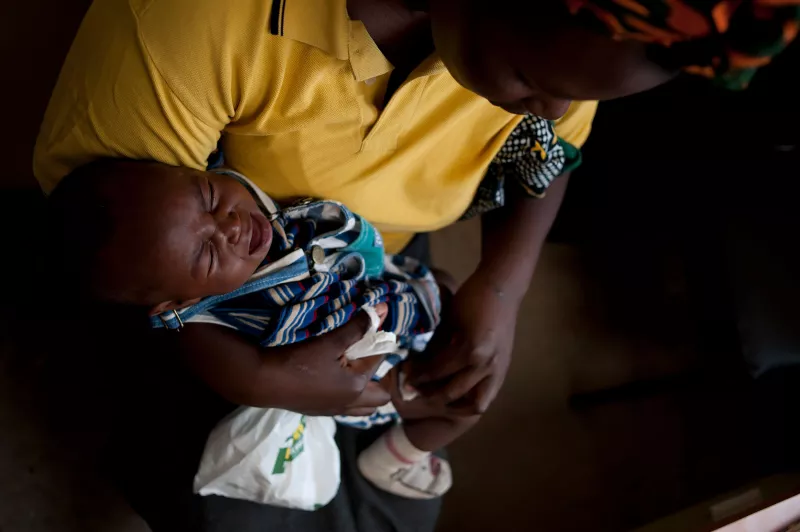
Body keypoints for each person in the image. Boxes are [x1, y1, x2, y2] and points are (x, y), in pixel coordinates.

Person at [34, 0, 800, 530]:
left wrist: (501, 287)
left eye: (569, 93)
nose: (552, 111)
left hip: (361, 261)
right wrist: (266, 382)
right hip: (235, 317)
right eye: (532, 83)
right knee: (244, 496)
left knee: (414, 451)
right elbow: (142, 265)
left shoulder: (569, 48)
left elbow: (548, 154)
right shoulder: (196, 30)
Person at [47, 158, 472, 500]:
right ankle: (397, 456)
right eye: (208, 256)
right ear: (180, 303)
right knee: (459, 403)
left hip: (375, 281)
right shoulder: (240, 320)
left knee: (450, 286)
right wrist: (386, 385)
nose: (231, 225)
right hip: (371, 359)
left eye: (209, 196)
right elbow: (328, 376)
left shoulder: (245, 201)